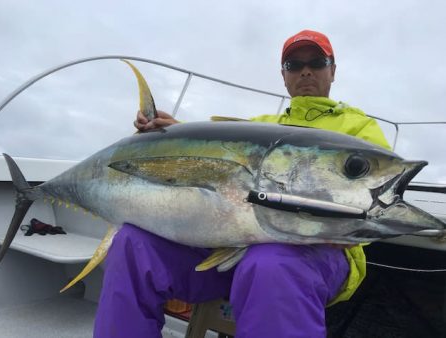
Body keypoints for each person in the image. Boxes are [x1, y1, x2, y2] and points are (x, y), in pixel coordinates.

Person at [94, 30, 390, 338]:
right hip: (231, 246)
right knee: (132, 243)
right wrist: (176, 133)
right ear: (284, 75)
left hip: (316, 255)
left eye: (316, 62)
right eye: (293, 64)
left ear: (333, 70)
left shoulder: (359, 129)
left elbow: (374, 206)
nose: (305, 70)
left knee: (270, 263)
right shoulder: (262, 123)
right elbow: (225, 159)